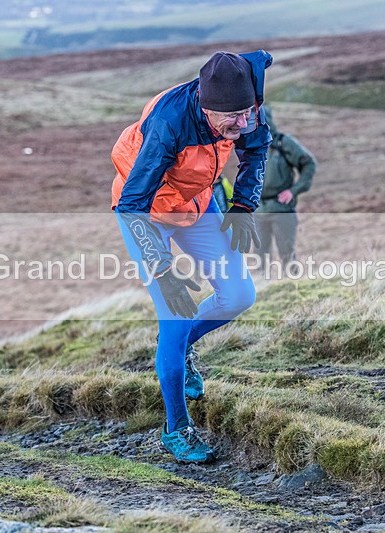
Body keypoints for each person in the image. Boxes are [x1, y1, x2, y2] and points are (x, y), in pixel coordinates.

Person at [111, 51, 272, 463]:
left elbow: (257, 150)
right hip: (147, 211)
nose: (240, 126)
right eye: (230, 119)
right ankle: (176, 429)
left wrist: (244, 207)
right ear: (205, 106)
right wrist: (163, 272)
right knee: (175, 314)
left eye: (246, 115)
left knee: (238, 296)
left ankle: (179, 346)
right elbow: (132, 205)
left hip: (198, 204)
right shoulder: (169, 124)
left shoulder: (245, 105)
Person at [254, 105, 316, 273]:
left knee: (287, 254)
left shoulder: (283, 143)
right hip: (258, 211)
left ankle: (293, 289)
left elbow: (309, 164)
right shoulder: (248, 146)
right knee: (259, 258)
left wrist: (294, 190)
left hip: (281, 209)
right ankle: (263, 292)